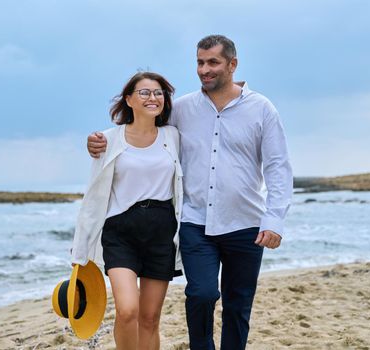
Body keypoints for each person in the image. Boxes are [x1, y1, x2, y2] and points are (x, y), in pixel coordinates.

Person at [87, 35, 293, 350]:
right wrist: (100, 142)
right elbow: (142, 130)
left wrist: (274, 219)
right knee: (202, 293)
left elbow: (277, 167)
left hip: (247, 223)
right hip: (195, 222)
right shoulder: (182, 109)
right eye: (200, 62)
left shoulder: (262, 109)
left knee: (238, 304)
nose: (204, 70)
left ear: (232, 65)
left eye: (213, 62)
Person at [71, 71, 183, 350]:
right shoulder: (108, 139)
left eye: (158, 93)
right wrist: (80, 249)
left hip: (161, 232)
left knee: (149, 317)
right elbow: (94, 195)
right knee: (127, 310)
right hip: (120, 233)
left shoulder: (173, 135)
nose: (153, 98)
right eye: (144, 92)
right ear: (129, 99)